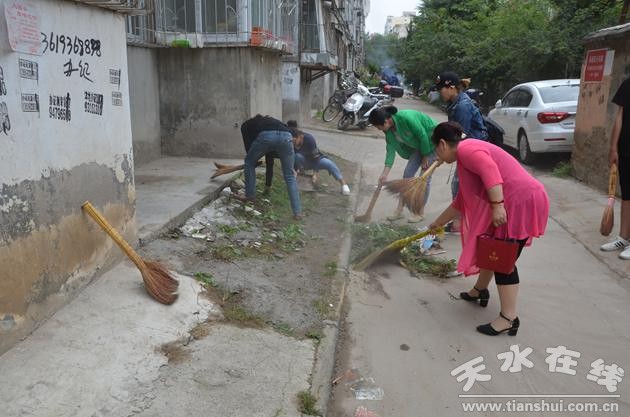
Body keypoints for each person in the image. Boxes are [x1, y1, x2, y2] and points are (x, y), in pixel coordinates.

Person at [428, 122, 549, 336]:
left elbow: (490, 170)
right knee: (491, 251)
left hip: (519, 202)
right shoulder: (465, 156)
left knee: (503, 261)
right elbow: (461, 201)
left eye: (436, 150)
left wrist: (497, 205)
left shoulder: (467, 149)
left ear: (443, 144)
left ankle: (508, 318)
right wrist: (438, 222)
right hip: (515, 200)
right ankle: (479, 290)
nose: (437, 157)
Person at [436, 72, 489, 232]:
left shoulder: (463, 106)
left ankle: (462, 222)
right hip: (467, 147)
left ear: (451, 87)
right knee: (463, 185)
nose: (440, 92)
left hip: (474, 149)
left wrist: (445, 155)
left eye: (441, 89)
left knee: (459, 185)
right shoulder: (454, 103)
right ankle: (465, 220)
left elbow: (459, 135)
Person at [369, 106, 438, 222]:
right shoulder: (389, 131)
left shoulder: (406, 118)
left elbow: (422, 134)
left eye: (378, 126)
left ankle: (419, 212)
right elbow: (390, 151)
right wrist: (384, 174)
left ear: (385, 121)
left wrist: (425, 156)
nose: (379, 129)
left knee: (424, 178)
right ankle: (399, 210)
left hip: (432, 140)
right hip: (419, 145)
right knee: (407, 175)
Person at [240, 115, 302, 219]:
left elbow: (248, 146)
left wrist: (252, 159)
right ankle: (297, 212)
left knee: (249, 163)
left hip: (266, 137)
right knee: (290, 176)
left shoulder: (246, 125)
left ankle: (249, 196)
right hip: (287, 137)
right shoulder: (271, 121)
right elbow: (287, 131)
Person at [602, 76, 630, 259]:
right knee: (627, 195)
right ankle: (624, 237)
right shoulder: (628, 84)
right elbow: (620, 116)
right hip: (626, 148)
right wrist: (613, 147)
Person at [286, 121, 351, 196]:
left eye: (295, 141)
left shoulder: (309, 139)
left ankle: (343, 184)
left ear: (300, 136)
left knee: (329, 163)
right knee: (296, 156)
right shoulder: (290, 141)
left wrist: (315, 174)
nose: (293, 144)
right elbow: (290, 158)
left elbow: (316, 158)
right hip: (303, 161)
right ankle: (301, 174)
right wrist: (294, 170)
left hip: (316, 160)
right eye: (292, 142)